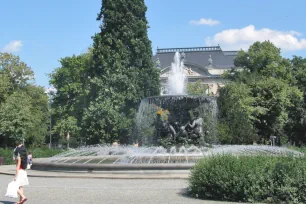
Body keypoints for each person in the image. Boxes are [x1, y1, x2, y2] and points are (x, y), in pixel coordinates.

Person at [13, 140, 29, 204]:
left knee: (14, 186)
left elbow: (18, 167)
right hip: (23, 171)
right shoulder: (24, 157)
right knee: (20, 186)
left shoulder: (18, 157)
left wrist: (15, 176)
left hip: (19, 172)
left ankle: (23, 197)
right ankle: (20, 201)